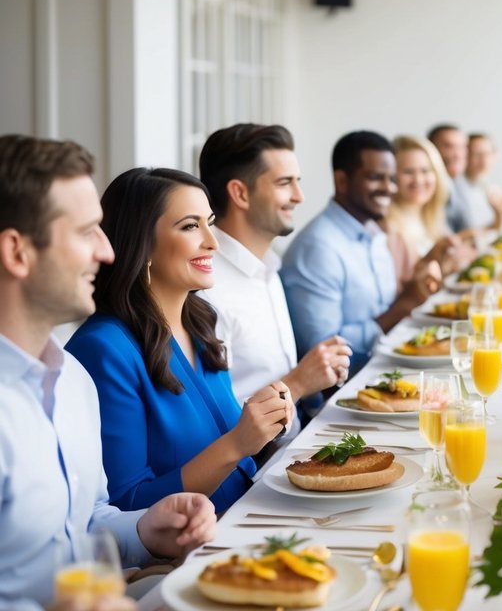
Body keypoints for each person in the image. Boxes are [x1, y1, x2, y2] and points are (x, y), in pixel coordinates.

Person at [0, 136, 216, 609]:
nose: (108, 251)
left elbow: (88, 520)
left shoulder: (72, 379)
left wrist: (144, 528)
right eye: (86, 233)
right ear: (17, 252)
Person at [66, 168, 292, 514]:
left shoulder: (201, 321)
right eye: (190, 226)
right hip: (195, 541)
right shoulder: (103, 350)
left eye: (209, 223)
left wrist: (266, 424)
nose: (213, 242)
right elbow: (127, 505)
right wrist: (237, 443)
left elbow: (235, 463)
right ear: (143, 243)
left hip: (247, 518)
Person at [196, 124, 352, 446]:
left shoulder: (268, 266)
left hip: (296, 445)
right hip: (256, 471)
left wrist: (317, 378)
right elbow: (214, 429)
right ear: (240, 193)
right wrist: (298, 383)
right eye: (284, 183)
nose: (299, 196)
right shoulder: (208, 290)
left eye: (298, 182)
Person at [281, 131, 440, 371]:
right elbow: (324, 351)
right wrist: (402, 307)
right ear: (342, 181)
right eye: (376, 178)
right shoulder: (319, 248)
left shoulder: (375, 234)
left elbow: (385, 308)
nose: (389, 188)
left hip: (387, 366)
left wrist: (414, 289)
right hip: (346, 384)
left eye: (392, 178)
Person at [384, 135, 472, 292]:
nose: (418, 180)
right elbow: (399, 294)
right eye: (408, 172)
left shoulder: (432, 217)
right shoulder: (388, 228)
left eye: (425, 171)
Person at [428, 123, 472, 233]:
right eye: (449, 147)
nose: (458, 155)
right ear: (431, 149)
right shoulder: (427, 188)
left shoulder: (455, 183)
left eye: (462, 147)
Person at [465, 132, 502, 230]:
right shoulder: (458, 189)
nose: (484, 160)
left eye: (488, 154)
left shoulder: (486, 186)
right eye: (477, 155)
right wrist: (499, 215)